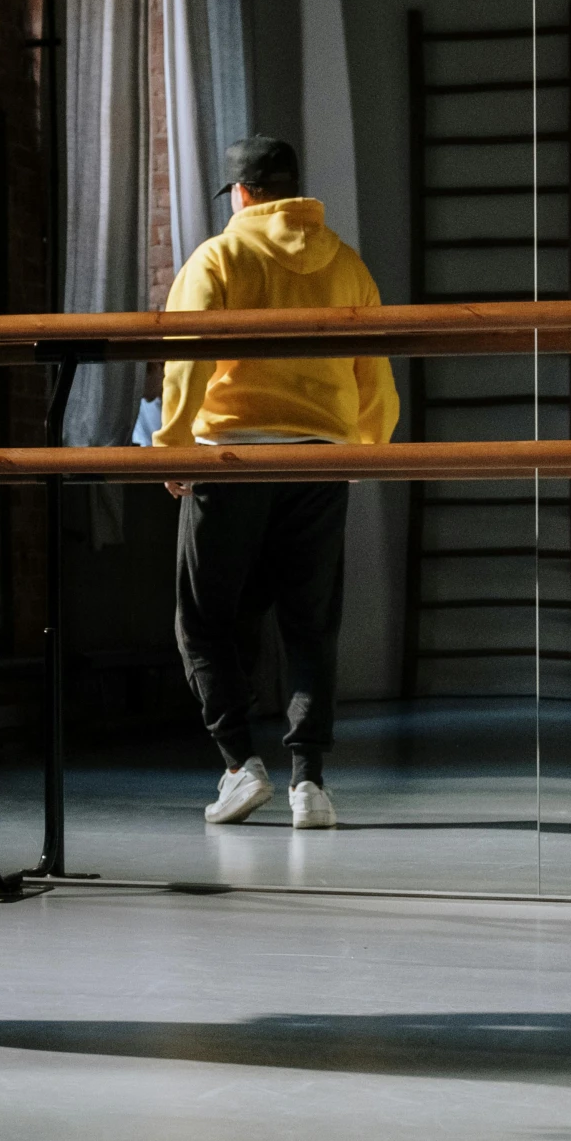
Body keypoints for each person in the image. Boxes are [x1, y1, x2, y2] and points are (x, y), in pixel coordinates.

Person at [153, 137, 398, 831]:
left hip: (231, 459)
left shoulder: (221, 256)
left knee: (203, 620)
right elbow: (374, 368)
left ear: (241, 194)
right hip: (320, 460)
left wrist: (171, 445)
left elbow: (186, 354)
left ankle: (239, 764)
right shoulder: (347, 266)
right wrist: (368, 447)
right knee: (310, 623)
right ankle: (310, 784)